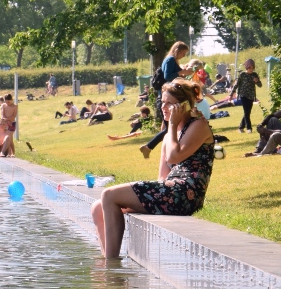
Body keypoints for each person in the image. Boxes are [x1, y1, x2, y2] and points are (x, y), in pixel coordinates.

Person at [91, 79, 213, 259]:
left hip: (186, 195)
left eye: (169, 103)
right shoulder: (170, 135)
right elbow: (163, 177)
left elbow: (174, 156)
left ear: (184, 105)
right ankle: (107, 260)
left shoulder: (198, 126)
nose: (163, 107)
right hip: (171, 191)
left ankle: (112, 265)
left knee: (109, 195)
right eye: (162, 102)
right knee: (97, 207)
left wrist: (171, 125)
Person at [141, 41, 191, 158]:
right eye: (183, 53)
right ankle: (148, 147)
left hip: (167, 97)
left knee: (168, 127)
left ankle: (153, 148)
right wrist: (182, 72)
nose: (184, 56)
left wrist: (183, 73)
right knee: (170, 129)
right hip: (166, 98)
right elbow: (168, 76)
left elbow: (173, 75)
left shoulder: (170, 60)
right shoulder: (170, 60)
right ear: (177, 50)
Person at [229, 58, 262, 133]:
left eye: (253, 67)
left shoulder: (255, 75)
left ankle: (241, 127)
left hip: (251, 96)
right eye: (250, 67)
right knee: (246, 112)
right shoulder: (242, 75)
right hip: (243, 95)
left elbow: (260, 85)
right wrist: (231, 94)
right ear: (247, 67)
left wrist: (257, 81)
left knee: (247, 112)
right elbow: (236, 85)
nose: (251, 69)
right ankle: (249, 128)